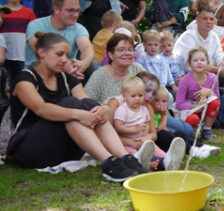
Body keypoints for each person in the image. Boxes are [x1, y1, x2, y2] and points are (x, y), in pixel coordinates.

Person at [7, 32, 147, 182]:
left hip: (62, 149)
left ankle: (125, 157)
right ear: (42, 53)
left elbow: (87, 103)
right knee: (71, 104)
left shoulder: (68, 79)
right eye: (59, 54)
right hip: (29, 150)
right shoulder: (25, 79)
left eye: (66, 55)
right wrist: (79, 115)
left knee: (88, 105)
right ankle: (108, 163)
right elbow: (41, 109)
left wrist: (103, 109)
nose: (64, 60)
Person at [113, 76, 184, 171]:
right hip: (128, 143)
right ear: (124, 96)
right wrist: (133, 130)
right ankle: (148, 164)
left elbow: (146, 124)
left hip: (142, 140)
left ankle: (169, 159)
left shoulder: (144, 109)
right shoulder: (122, 110)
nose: (137, 99)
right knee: (133, 155)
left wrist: (145, 135)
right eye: (133, 96)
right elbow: (118, 127)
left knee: (155, 149)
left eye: (140, 95)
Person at [145, 75, 220, 159]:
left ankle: (201, 146)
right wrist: (163, 115)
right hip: (155, 142)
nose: (160, 104)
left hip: (161, 137)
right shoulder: (150, 111)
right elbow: (159, 131)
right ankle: (193, 151)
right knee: (164, 134)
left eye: (164, 101)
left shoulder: (158, 112)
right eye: (156, 100)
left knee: (179, 133)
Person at [26, 0, 94, 80]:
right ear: (56, 9)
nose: (76, 15)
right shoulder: (36, 25)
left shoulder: (78, 28)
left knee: (92, 68)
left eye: (77, 11)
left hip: (70, 72)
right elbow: (43, 53)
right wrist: (69, 68)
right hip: (38, 73)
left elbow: (87, 48)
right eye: (70, 11)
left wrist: (83, 64)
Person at [172, 5, 224, 93]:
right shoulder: (188, 36)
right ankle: (215, 99)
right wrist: (218, 70)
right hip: (184, 76)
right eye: (205, 18)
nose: (209, 22)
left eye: (211, 19)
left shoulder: (213, 36)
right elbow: (192, 66)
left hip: (204, 75)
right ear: (197, 20)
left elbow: (220, 57)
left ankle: (221, 101)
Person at [84, 33, 145, 104]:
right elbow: (86, 102)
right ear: (110, 54)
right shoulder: (100, 75)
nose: (127, 53)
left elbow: (152, 88)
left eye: (130, 50)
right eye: (121, 50)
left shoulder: (137, 69)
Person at [175, 48, 220, 142]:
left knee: (215, 102)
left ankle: (206, 130)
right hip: (189, 108)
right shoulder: (185, 81)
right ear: (189, 64)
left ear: (208, 62)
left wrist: (209, 92)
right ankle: (191, 132)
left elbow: (217, 96)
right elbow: (179, 104)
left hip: (205, 105)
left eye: (203, 60)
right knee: (193, 119)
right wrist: (196, 106)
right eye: (195, 60)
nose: (199, 62)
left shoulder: (213, 78)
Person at [1, 0, 36, 78]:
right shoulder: (2, 12)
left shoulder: (29, 13)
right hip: (4, 55)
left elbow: (33, 32)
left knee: (20, 79)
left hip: (21, 54)